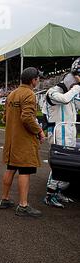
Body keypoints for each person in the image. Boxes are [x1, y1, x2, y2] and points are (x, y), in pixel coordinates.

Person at [0, 67, 45, 217]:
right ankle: (23, 205)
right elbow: (27, 118)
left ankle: (4, 199)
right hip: (23, 140)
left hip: (11, 140)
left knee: (10, 168)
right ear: (33, 80)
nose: (38, 81)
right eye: (38, 79)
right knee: (25, 170)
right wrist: (39, 131)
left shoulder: (12, 94)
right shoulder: (29, 94)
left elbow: (4, 118)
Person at [43, 58, 80, 208]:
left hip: (70, 132)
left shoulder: (72, 94)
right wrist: (76, 87)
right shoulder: (52, 92)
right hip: (58, 132)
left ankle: (59, 191)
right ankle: (49, 194)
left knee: (67, 165)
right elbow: (64, 99)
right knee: (59, 166)